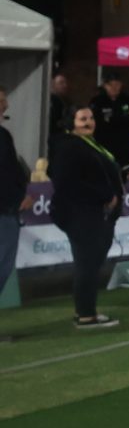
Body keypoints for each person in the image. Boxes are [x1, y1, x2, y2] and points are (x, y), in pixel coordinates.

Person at [49, 105, 125, 329]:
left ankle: (85, 310)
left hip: (94, 212)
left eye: (91, 117)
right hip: (81, 213)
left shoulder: (89, 144)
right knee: (87, 263)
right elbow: (67, 182)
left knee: (91, 263)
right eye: (82, 118)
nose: (88, 122)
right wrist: (104, 195)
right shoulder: (69, 146)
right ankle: (85, 315)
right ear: (71, 122)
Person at [0, 87, 30, 336]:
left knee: (3, 269)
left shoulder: (3, 135)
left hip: (9, 212)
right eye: (0, 101)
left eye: (4, 100)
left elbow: (12, 172)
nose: (5, 105)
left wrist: (22, 195)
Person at [89, 73, 129, 167]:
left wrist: (112, 119)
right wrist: (124, 118)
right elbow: (98, 121)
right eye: (111, 85)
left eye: (117, 84)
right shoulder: (97, 101)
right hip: (106, 145)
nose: (114, 88)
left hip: (128, 146)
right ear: (105, 85)